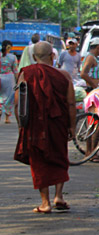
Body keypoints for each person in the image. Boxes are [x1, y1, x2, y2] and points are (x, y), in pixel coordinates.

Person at [14, 41, 76, 213]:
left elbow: (18, 102)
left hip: (34, 126)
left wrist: (22, 126)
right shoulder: (64, 76)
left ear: (34, 57)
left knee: (39, 160)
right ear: (53, 56)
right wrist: (72, 127)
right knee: (59, 156)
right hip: (58, 123)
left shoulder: (26, 74)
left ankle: (45, 203)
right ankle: (59, 196)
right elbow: (71, 104)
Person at [0, 40, 19, 123]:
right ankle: (7, 118)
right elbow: (15, 70)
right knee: (9, 98)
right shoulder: (12, 57)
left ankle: (0, 108)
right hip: (9, 78)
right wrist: (18, 80)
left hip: (0, 77)